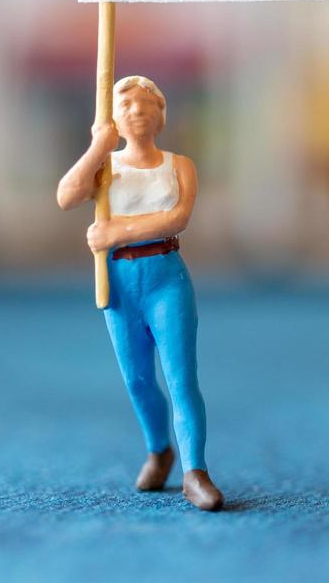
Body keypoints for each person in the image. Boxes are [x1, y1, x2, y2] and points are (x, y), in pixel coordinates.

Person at [56, 75, 224, 512]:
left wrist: (118, 230)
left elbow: (177, 218)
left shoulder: (180, 165)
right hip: (120, 285)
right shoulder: (106, 167)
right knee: (137, 380)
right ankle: (158, 450)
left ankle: (195, 471)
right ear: (113, 116)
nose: (137, 111)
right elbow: (66, 196)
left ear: (161, 115)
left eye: (146, 104)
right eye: (127, 104)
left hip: (167, 279)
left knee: (182, 378)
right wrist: (97, 147)